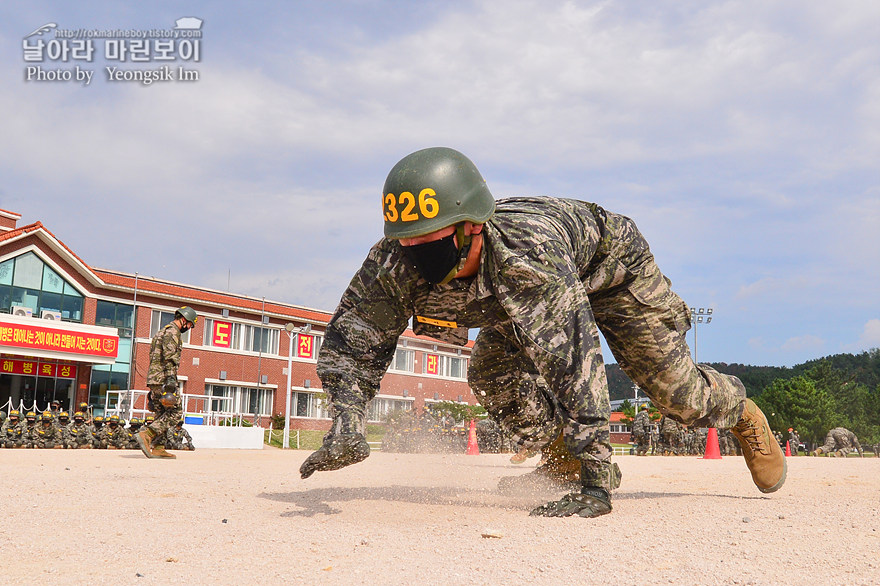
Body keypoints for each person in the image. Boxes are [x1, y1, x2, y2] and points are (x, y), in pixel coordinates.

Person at [298, 146, 787, 518]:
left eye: (434, 239)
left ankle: (738, 410)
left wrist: (597, 484)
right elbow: (351, 346)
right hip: (512, 295)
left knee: (676, 393)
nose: (419, 252)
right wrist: (346, 424)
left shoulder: (526, 258)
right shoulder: (391, 263)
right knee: (490, 371)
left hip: (611, 270)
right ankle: (559, 458)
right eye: (409, 240)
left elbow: (574, 362)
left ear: (472, 225)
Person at [136, 306, 197, 459]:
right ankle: (147, 434)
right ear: (184, 319)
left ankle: (158, 447)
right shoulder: (172, 332)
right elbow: (169, 357)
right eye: (190, 324)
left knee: (161, 413)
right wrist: (170, 380)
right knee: (175, 413)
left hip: (155, 378)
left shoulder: (161, 331)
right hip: (164, 378)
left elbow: (155, 357)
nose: (189, 328)